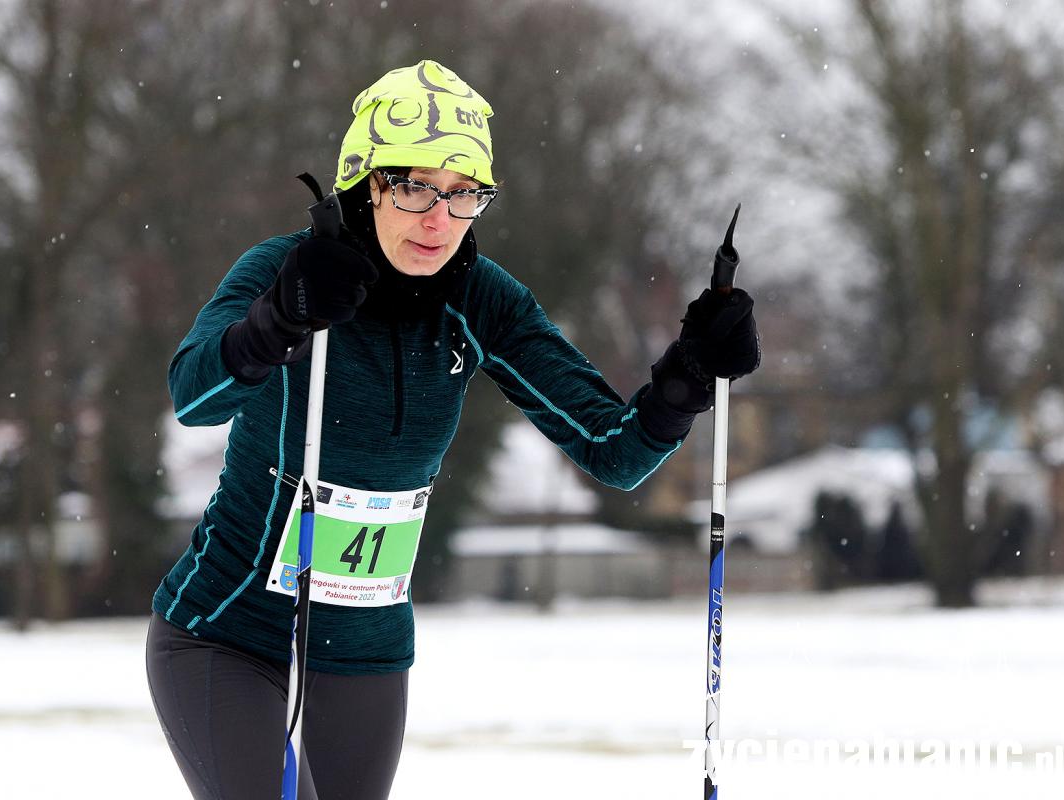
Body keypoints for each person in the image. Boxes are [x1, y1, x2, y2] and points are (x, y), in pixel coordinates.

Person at [146, 60, 760, 800]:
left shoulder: (482, 299)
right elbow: (194, 396)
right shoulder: (289, 271)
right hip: (227, 635)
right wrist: (276, 319)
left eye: (465, 194)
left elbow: (614, 450)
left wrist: (689, 375)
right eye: (414, 188)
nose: (439, 219)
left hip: (365, 651)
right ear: (363, 184)